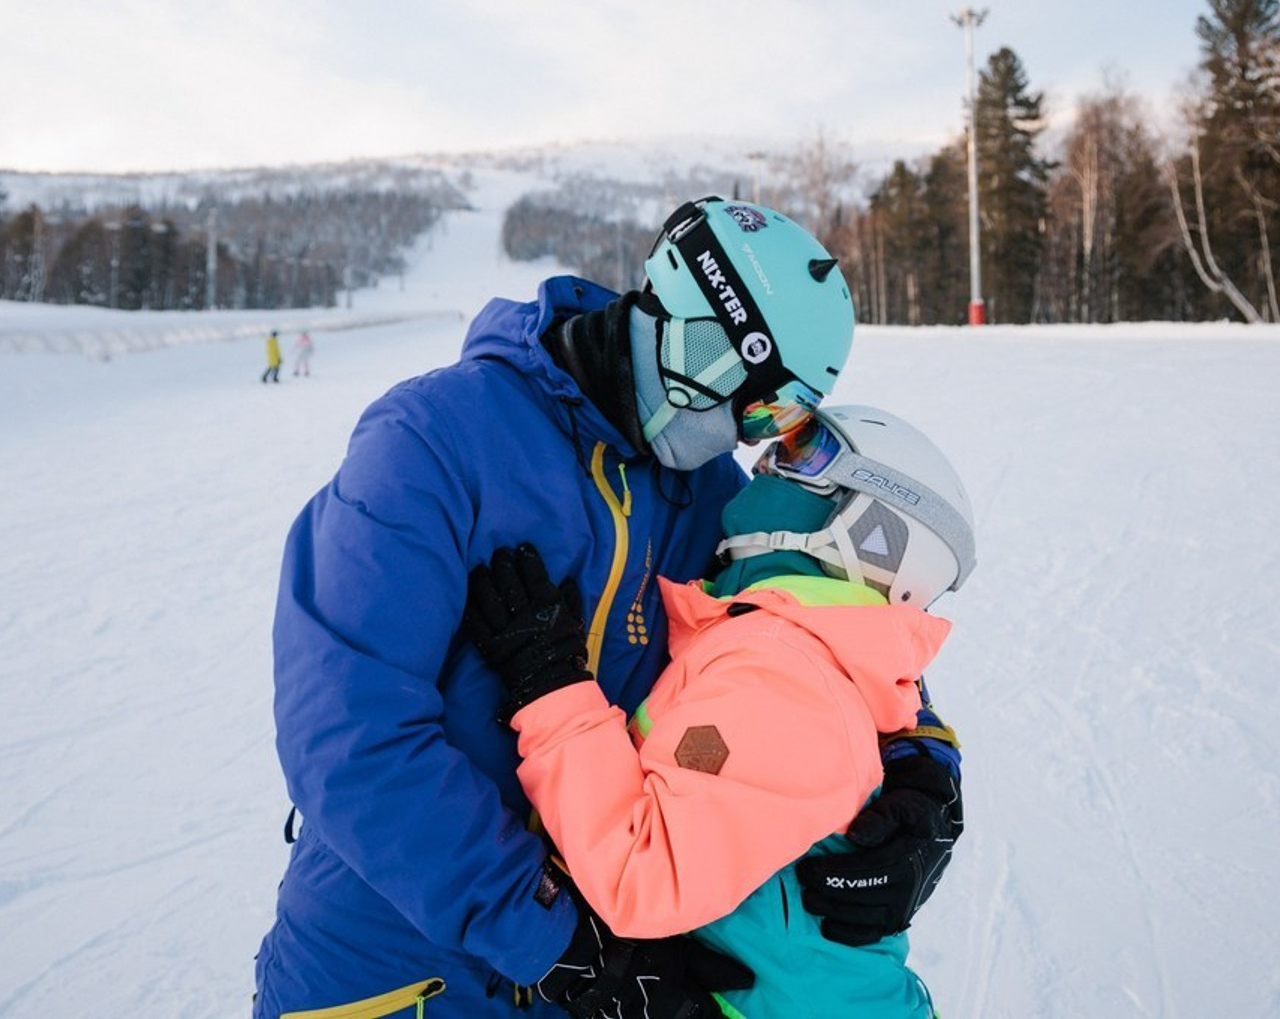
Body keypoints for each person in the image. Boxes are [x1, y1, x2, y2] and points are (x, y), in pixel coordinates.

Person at [252, 197, 953, 1018]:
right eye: (764, 406)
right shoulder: (435, 439)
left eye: (783, 425)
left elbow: (822, 635)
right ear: (709, 342)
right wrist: (556, 940)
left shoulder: (708, 495)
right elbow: (346, 737)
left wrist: (925, 766)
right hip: (395, 975)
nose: (749, 438)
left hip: (602, 979)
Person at [465, 404, 975, 1017]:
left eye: (804, 456)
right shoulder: (788, 641)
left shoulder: (782, 672)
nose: (766, 466)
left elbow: (644, 876)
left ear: (873, 535)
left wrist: (549, 686)